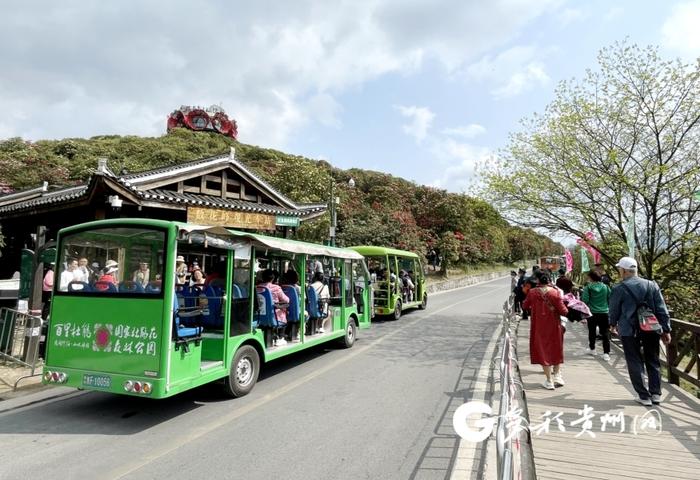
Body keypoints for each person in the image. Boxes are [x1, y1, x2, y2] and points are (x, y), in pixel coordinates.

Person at [609, 256, 671, 406]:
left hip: (629, 330)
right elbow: (662, 309)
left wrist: (612, 324)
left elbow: (614, 309)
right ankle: (656, 394)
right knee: (653, 359)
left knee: (634, 360)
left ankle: (644, 396)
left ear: (623, 270)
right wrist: (666, 329)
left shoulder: (619, 288)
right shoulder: (652, 285)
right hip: (651, 327)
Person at [523, 273, 568, 390]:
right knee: (556, 348)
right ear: (549, 281)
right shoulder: (555, 292)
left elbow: (525, 305)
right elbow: (563, 311)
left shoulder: (532, 292)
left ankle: (549, 381)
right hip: (554, 325)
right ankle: (557, 376)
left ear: (538, 281)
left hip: (539, 326)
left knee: (543, 351)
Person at [581, 271, 612, 360]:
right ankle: (606, 353)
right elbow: (610, 298)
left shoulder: (588, 287)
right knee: (605, 332)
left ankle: (592, 349)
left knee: (592, 331)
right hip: (604, 312)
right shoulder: (606, 287)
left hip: (592, 313)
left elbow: (585, 300)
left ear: (591, 278)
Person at [257, 269, 289, 345]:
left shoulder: (258, 287)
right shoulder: (276, 288)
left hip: (260, 314)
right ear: (273, 278)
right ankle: (280, 337)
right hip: (274, 314)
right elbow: (286, 300)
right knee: (283, 310)